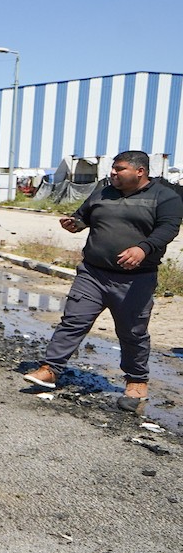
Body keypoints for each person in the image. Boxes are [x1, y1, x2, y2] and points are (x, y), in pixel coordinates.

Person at [22, 150, 182, 408]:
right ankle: (50, 369)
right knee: (73, 321)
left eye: (120, 169)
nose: (113, 173)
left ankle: (137, 382)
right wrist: (74, 223)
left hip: (135, 280)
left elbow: (168, 229)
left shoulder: (165, 197)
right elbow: (83, 215)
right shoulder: (104, 191)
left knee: (132, 332)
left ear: (140, 171)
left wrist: (143, 248)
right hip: (92, 274)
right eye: (113, 169)